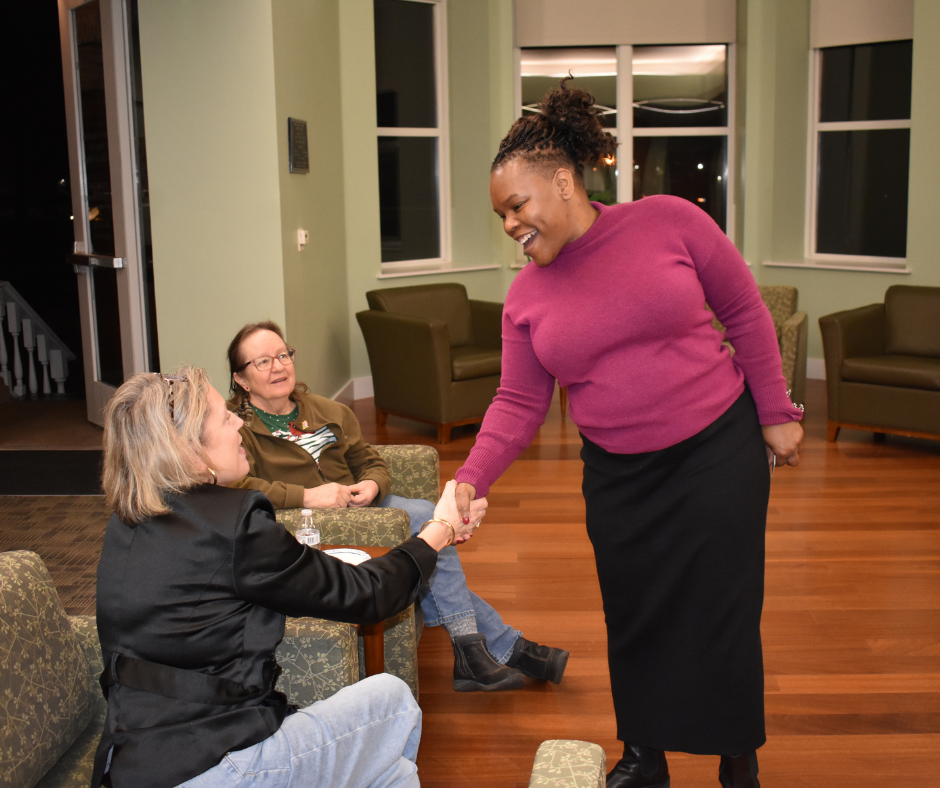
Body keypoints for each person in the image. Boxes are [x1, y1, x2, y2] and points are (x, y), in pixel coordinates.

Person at [453, 81, 804, 788]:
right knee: (635, 616)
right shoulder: (524, 296)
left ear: (562, 180)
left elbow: (744, 311)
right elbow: (519, 400)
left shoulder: (668, 220)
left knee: (722, 613)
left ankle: (737, 756)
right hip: (620, 474)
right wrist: (469, 478)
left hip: (715, 452)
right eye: (499, 216)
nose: (510, 226)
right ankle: (645, 754)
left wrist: (776, 413)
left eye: (517, 206)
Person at [91, 366, 478, 788]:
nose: (239, 421)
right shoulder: (232, 523)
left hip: (132, 761)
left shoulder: (128, 520)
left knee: (394, 773)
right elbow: (369, 595)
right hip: (214, 765)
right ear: (188, 450)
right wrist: (438, 531)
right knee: (393, 701)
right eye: (225, 418)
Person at [224, 320, 569, 693]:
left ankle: (479, 650)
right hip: (307, 524)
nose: (278, 366)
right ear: (241, 379)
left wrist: (373, 484)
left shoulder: (328, 411)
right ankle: (500, 647)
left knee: (422, 516)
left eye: (283, 355)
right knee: (425, 521)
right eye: (262, 362)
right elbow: (238, 487)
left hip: (364, 509)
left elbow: (370, 460)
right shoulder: (235, 428)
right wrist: (307, 496)